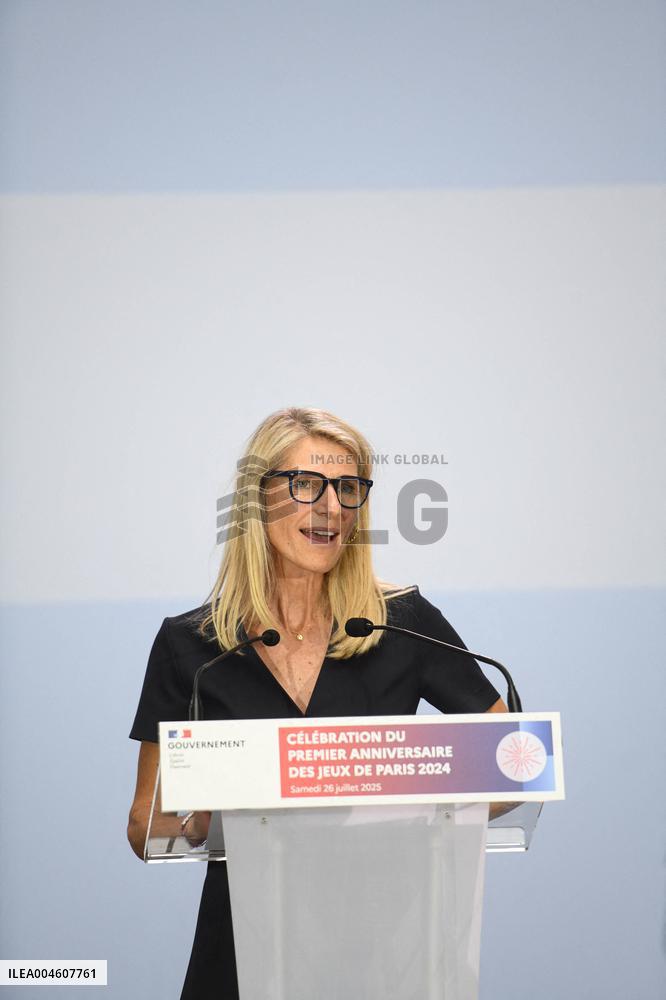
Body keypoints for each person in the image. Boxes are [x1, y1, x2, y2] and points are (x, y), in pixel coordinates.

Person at [127, 406, 507, 1000]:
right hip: (242, 953)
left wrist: (409, 815)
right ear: (259, 500)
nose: (331, 507)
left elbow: (510, 768)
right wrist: (204, 811)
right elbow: (147, 820)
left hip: (388, 952)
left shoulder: (401, 623)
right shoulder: (193, 646)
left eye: (348, 489)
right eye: (306, 485)